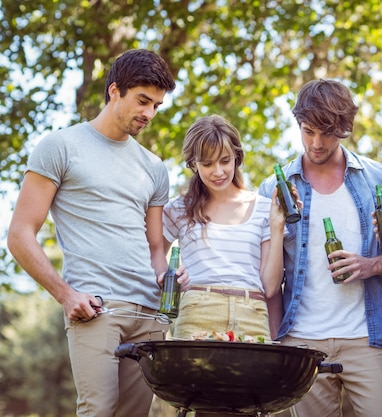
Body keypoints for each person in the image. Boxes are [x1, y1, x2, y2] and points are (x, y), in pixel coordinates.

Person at [7, 49, 188, 417]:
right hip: (97, 310)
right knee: (98, 410)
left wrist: (167, 274)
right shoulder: (60, 147)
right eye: (142, 101)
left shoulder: (154, 168)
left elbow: (155, 247)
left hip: (150, 315)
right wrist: (65, 294)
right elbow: (20, 234)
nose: (149, 114)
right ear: (114, 91)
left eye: (156, 105)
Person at [258, 79, 382, 417]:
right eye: (308, 131)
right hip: (302, 343)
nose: (316, 143)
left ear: (344, 128)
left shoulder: (378, 180)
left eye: (327, 133)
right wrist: (276, 343)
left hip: (365, 339)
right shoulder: (273, 189)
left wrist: (372, 265)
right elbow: (265, 277)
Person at [162, 114, 286, 345]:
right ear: (193, 164)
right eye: (207, 164)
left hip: (252, 316)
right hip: (197, 313)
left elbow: (270, 287)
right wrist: (170, 277)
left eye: (225, 160)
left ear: (236, 158)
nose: (218, 172)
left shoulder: (262, 207)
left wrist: (277, 226)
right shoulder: (179, 208)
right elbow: (151, 254)